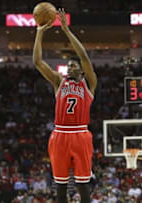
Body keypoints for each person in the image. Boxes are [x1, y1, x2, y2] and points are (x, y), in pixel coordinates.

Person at [32, 8, 97, 203]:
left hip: (80, 134)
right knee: (60, 186)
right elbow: (37, 62)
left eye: (74, 66)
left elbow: (84, 56)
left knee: (83, 185)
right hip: (60, 134)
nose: (71, 68)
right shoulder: (59, 82)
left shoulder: (89, 83)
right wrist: (39, 33)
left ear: (82, 71)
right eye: (69, 66)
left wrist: (67, 32)